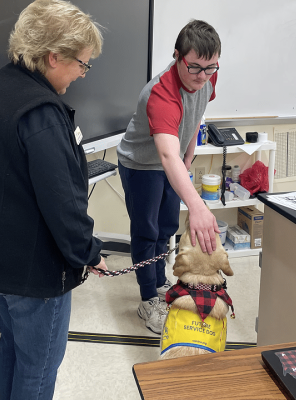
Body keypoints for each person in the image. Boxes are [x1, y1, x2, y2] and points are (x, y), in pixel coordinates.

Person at [0, 1, 107, 398]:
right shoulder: (41, 113)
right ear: (54, 56)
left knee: (14, 350)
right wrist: (90, 253)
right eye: (82, 64)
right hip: (32, 274)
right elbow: (65, 204)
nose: (83, 74)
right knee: (38, 369)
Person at [117, 20, 221, 334]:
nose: (202, 77)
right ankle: (147, 299)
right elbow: (165, 155)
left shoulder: (207, 75)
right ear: (177, 56)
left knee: (166, 228)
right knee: (147, 232)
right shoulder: (160, 94)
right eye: (194, 68)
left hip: (173, 159)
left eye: (210, 68)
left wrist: (190, 155)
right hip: (141, 165)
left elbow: (196, 113)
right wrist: (199, 206)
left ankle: (159, 283)